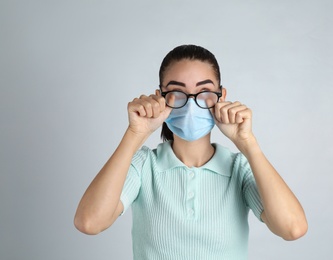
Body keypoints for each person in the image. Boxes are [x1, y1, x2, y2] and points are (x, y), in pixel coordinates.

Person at [74, 44, 308, 259]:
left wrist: (247, 143)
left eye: (204, 91)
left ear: (221, 96)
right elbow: (89, 222)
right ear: (161, 97)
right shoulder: (144, 165)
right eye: (178, 92)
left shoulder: (240, 169)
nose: (191, 103)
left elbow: (292, 228)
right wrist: (136, 133)